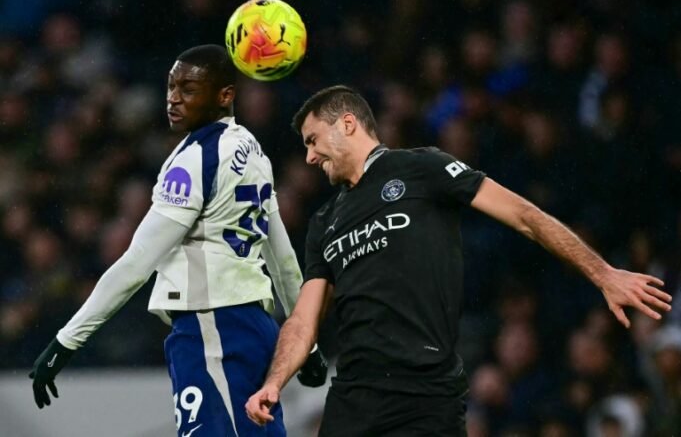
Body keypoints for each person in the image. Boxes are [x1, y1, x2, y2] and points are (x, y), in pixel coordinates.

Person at [245, 85, 673, 436]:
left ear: (347, 124)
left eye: (313, 140)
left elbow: (525, 216)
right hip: (354, 396)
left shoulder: (422, 168)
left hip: (426, 391)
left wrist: (603, 273)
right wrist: (274, 383)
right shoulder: (324, 221)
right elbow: (303, 320)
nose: (309, 157)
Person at [29, 44, 326, 437]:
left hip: (211, 327)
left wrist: (66, 341)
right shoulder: (254, 152)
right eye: (171, 86)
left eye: (189, 89)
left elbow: (138, 261)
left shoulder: (195, 160)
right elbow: (282, 258)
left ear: (225, 95)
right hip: (254, 327)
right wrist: (306, 341)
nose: (173, 98)